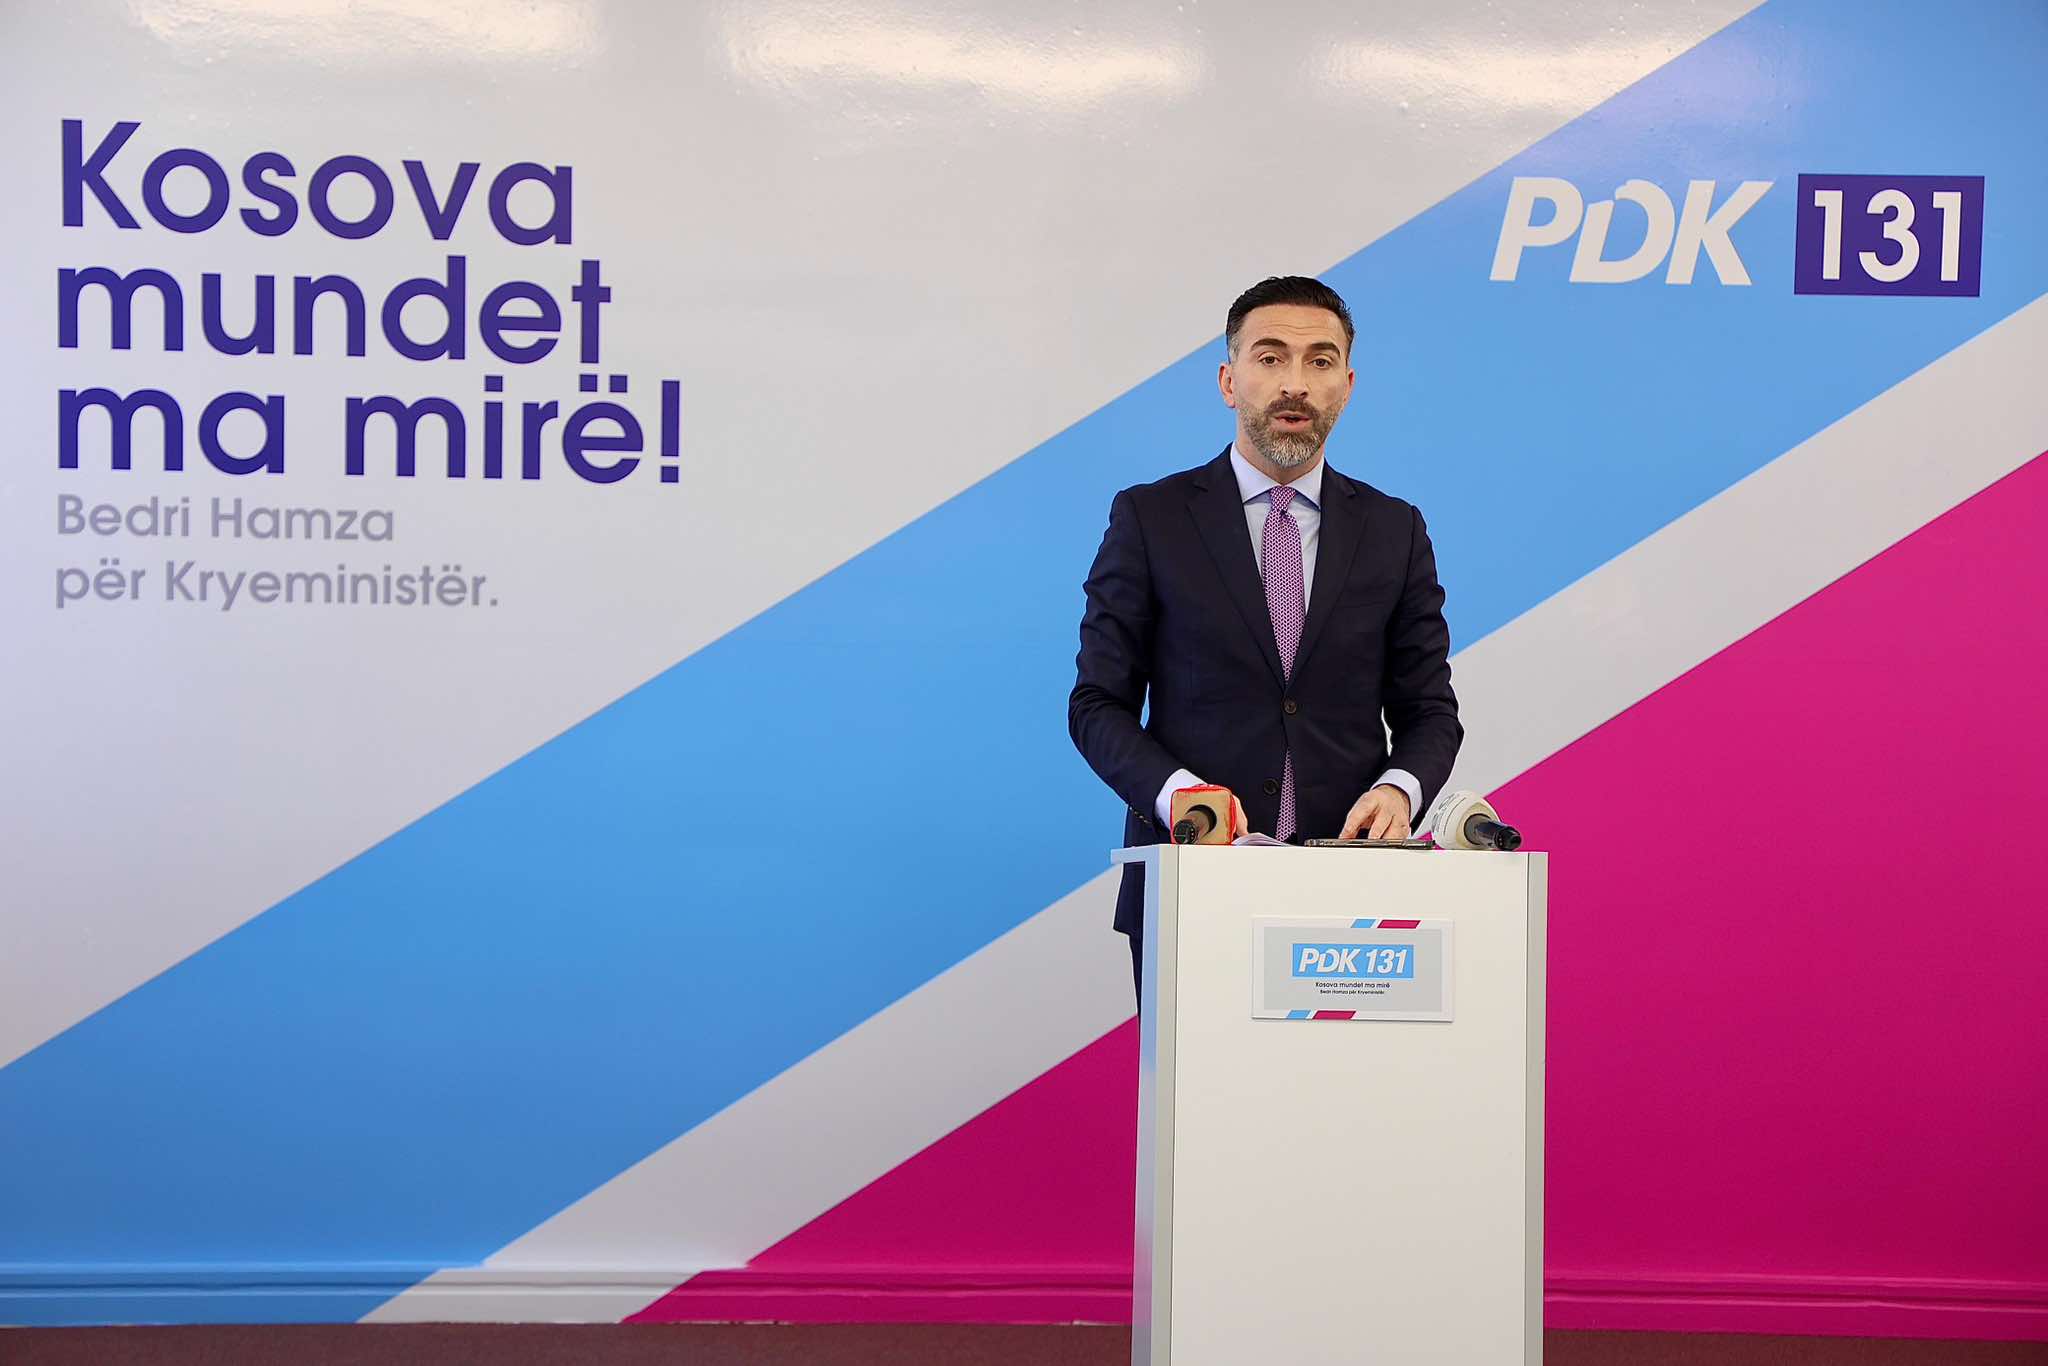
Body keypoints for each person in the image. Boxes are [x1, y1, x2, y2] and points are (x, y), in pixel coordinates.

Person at [1067, 275, 1463, 1003]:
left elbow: (1430, 711)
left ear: (1347, 386)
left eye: (1320, 361)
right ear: (1229, 380)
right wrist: (1182, 799)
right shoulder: (1152, 519)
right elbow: (1097, 705)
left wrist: (1399, 790)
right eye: (1270, 357)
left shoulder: (1394, 530)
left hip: (1353, 893)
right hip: (1192, 884)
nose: (1295, 383)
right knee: (1198, 1082)